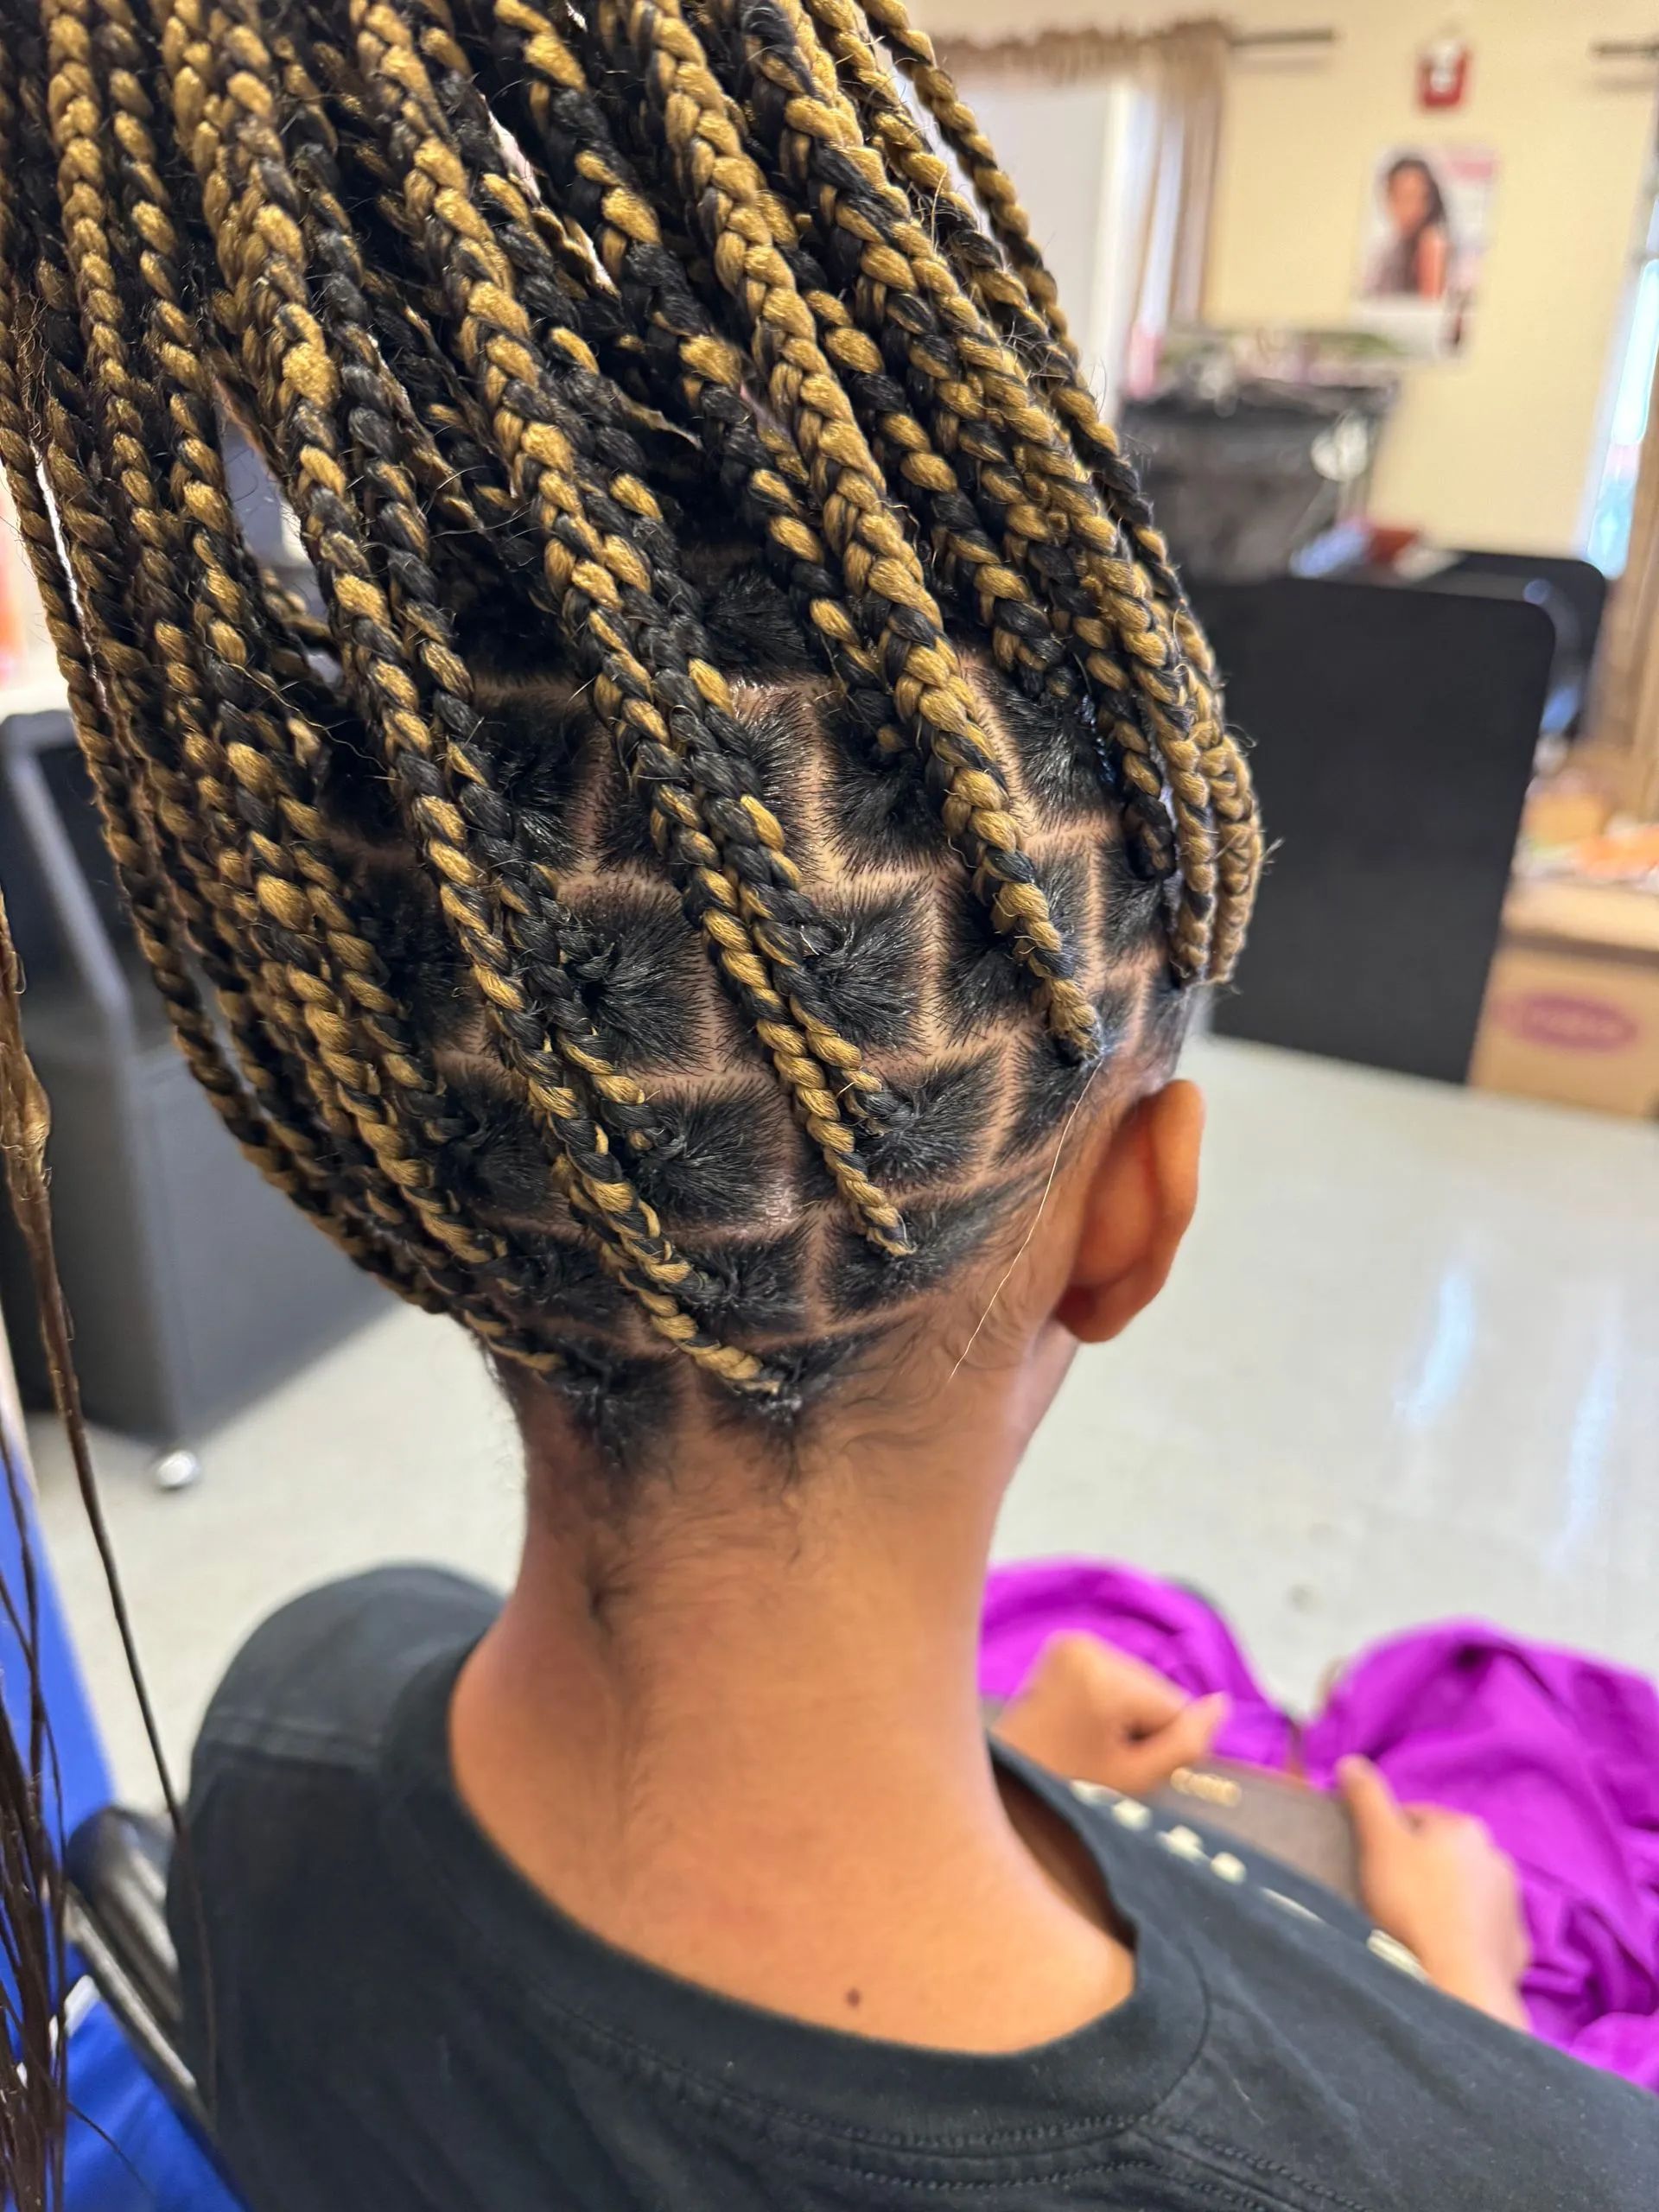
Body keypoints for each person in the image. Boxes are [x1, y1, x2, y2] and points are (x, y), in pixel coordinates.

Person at [0, 1, 1653, 2207]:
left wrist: (1004, 1766)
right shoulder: (1519, 2160)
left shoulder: (291, 1722)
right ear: (1136, 1214)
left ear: (434, 1183)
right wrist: (1448, 2037)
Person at [1367, 154, 1453, 301]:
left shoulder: (1432, 243)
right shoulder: (1392, 247)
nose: (1410, 208)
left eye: (1416, 197)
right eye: (1399, 197)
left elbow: (1431, 308)